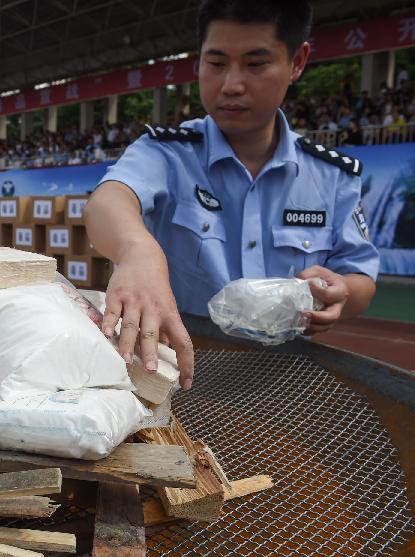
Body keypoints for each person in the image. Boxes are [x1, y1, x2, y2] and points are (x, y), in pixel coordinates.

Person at [84, 0, 378, 391]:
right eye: (216, 63)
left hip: (287, 383)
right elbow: (109, 200)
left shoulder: (334, 177)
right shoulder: (166, 153)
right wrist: (138, 251)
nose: (231, 84)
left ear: (297, 61)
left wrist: (342, 293)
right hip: (176, 374)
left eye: (256, 64)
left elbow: (360, 277)